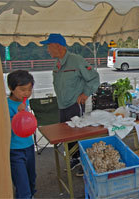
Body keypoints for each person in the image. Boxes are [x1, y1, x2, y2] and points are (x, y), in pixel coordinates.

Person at [40, 33, 100, 176]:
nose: (47, 50)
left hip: (75, 104)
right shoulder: (57, 63)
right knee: (68, 136)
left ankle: (84, 162)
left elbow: (94, 78)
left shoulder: (76, 60)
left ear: (58, 46)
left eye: (49, 46)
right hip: (62, 105)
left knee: (78, 134)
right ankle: (75, 158)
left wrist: (85, 94)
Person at [7, 70, 36, 198]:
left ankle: (31, 195)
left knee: (31, 178)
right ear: (11, 88)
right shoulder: (5, 105)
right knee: (21, 182)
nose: (27, 93)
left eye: (29, 89)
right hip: (15, 150)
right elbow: (6, 128)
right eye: (23, 90)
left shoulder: (25, 102)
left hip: (29, 146)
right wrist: (18, 115)